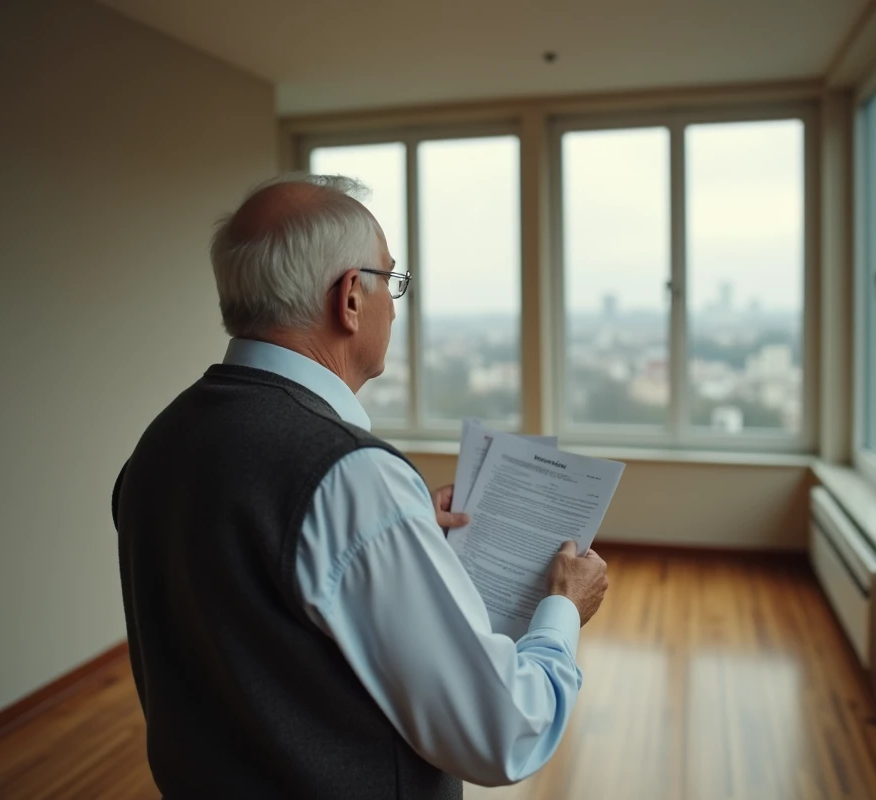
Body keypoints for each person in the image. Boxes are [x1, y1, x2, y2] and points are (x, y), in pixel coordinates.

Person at [111, 173, 609, 799]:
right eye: (391, 281)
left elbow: (251, 601)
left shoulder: (164, 438)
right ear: (350, 298)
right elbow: (505, 732)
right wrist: (563, 610)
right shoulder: (351, 475)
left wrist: (396, 538)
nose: (394, 305)